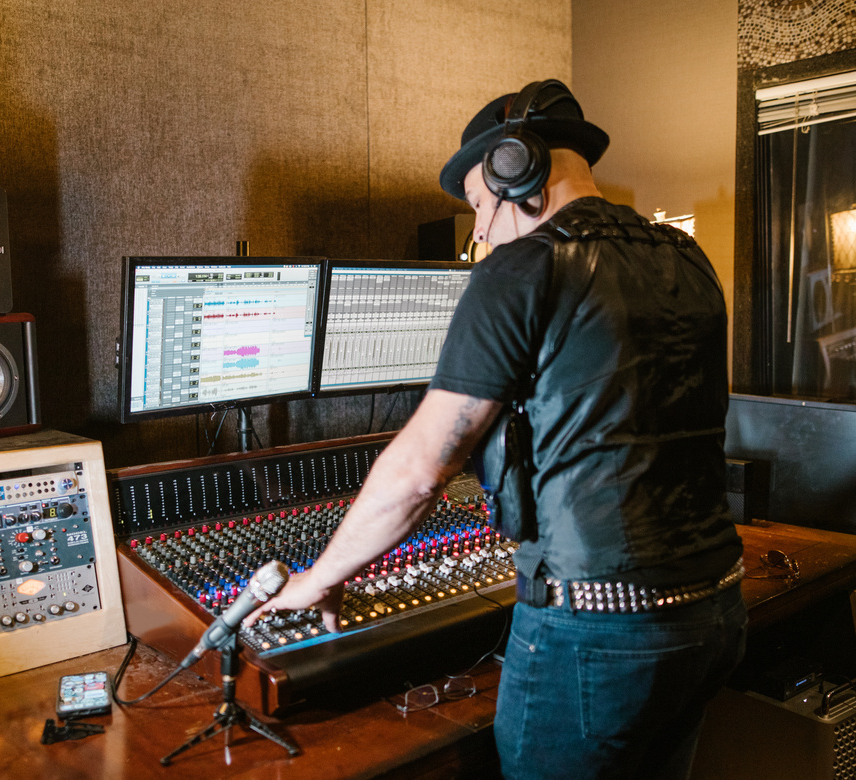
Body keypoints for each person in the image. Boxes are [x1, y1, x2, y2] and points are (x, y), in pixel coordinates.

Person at [246, 80, 747, 779]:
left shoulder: (521, 269)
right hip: (714, 607)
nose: (477, 231)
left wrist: (322, 577)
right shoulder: (685, 258)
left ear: (518, 169)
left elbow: (422, 468)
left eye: (480, 205)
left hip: (595, 628)